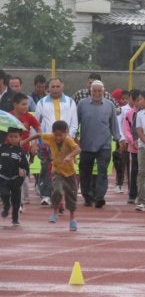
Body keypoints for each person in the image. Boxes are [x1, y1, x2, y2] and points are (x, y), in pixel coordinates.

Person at [22, 121, 81, 231]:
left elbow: (78, 149)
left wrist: (70, 156)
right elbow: (38, 135)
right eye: (56, 134)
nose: (58, 137)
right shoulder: (50, 138)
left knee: (71, 195)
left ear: (66, 133)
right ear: (52, 133)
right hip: (57, 171)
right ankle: (55, 212)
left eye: (61, 135)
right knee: (57, 191)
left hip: (70, 173)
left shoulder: (68, 140)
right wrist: (25, 141)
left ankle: (72, 218)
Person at [35, 77, 78, 205]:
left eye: (57, 86)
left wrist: (67, 138)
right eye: (52, 87)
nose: (55, 89)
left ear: (62, 87)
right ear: (48, 88)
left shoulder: (70, 102)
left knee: (63, 169)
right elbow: (37, 124)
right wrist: (37, 141)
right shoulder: (41, 103)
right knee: (46, 167)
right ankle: (45, 195)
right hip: (48, 142)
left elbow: (74, 124)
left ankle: (61, 195)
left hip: (65, 142)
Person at [77, 80, 120, 208]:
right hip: (86, 144)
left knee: (102, 171)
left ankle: (100, 196)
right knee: (85, 172)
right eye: (94, 91)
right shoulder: (82, 104)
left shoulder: (109, 105)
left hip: (104, 145)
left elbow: (114, 124)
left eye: (99, 91)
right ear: (90, 91)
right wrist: (73, 137)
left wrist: (119, 139)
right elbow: (75, 123)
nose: (97, 93)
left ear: (103, 91)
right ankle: (87, 196)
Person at [10, 93, 42, 208]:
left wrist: (31, 142)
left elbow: (39, 130)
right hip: (9, 151)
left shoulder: (29, 117)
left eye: (27, 104)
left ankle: (23, 198)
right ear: (15, 104)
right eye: (23, 104)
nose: (26, 107)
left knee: (22, 174)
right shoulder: (9, 117)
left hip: (24, 151)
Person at [0, 127, 29, 226]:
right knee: (4, 194)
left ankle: (15, 219)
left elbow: (26, 167)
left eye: (15, 137)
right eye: (10, 136)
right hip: (3, 178)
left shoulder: (21, 152)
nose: (13, 139)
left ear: (20, 138)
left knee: (16, 201)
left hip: (16, 179)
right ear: (7, 136)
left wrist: (23, 171)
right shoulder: (2, 147)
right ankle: (6, 206)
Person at [122, 89, 141, 204]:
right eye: (137, 100)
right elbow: (126, 129)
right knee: (133, 171)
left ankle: (144, 194)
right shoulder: (129, 114)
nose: (140, 102)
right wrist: (133, 140)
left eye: (141, 99)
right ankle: (132, 195)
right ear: (133, 101)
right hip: (133, 149)